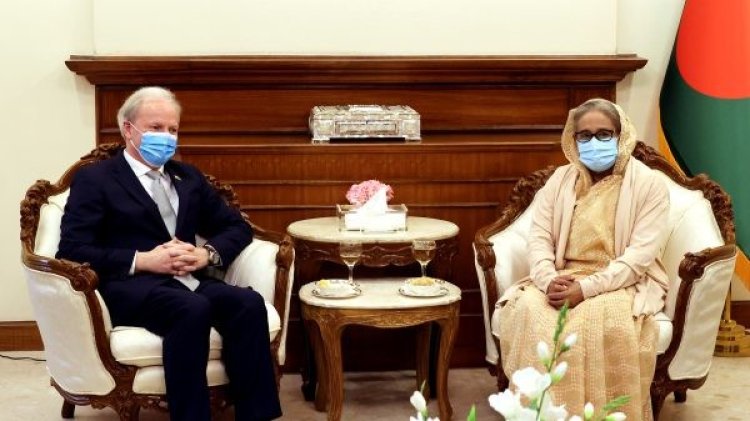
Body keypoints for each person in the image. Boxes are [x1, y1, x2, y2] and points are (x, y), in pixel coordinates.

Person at [56, 86, 282, 421]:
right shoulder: (96, 179)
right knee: (191, 309)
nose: (166, 137)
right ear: (128, 129)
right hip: (131, 286)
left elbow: (236, 227)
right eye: (156, 128)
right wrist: (142, 259)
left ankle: (256, 415)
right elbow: (72, 249)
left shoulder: (187, 176)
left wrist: (206, 254)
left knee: (247, 304)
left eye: (173, 129)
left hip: (189, 279)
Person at [497, 98, 670, 420]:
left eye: (604, 134)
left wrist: (586, 289)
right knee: (530, 311)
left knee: (598, 321)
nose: (594, 142)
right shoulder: (560, 180)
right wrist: (548, 280)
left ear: (621, 135)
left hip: (620, 281)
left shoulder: (649, 184)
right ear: (573, 139)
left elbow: (639, 258)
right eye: (585, 135)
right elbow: (539, 239)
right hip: (561, 275)